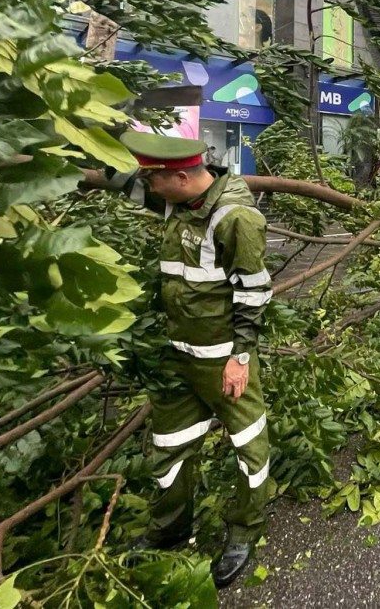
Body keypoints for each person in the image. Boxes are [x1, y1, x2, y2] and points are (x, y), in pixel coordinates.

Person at [111, 131, 273, 587]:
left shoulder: (235, 216)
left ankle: (243, 531)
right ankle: (170, 530)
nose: (149, 188)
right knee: (169, 445)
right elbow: (125, 183)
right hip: (176, 353)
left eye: (154, 180)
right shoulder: (177, 200)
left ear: (180, 178)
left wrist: (240, 357)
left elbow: (255, 290)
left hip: (222, 359)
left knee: (249, 445)